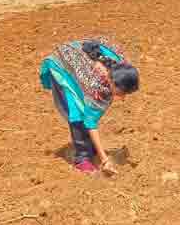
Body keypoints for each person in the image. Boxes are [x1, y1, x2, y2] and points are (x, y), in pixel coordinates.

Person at [40, 37, 139, 174]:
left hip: (78, 57)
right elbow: (91, 123)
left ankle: (89, 147)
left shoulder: (121, 68)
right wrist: (104, 159)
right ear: (112, 83)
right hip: (61, 64)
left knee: (85, 112)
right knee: (77, 111)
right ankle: (82, 159)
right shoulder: (97, 86)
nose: (122, 98)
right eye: (121, 93)